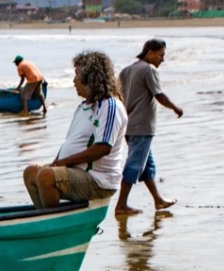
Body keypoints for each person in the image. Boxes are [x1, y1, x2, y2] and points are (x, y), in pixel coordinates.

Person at [23, 50, 127, 210]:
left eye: (77, 75)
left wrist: (63, 163)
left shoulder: (109, 106)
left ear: (90, 78)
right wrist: (55, 163)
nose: (73, 81)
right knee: (31, 173)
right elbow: (70, 142)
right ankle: (44, 216)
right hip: (76, 172)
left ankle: (52, 223)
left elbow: (103, 148)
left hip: (98, 179)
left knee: (45, 176)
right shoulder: (83, 107)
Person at [113, 39, 183, 216]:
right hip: (142, 126)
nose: (162, 60)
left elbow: (117, 96)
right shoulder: (148, 69)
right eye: (161, 55)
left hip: (129, 125)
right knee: (135, 165)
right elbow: (159, 95)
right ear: (150, 53)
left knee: (147, 166)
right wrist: (175, 107)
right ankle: (121, 205)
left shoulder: (126, 70)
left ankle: (158, 200)